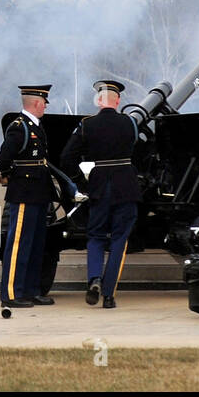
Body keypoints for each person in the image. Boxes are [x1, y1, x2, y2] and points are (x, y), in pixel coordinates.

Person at [58, 79, 140, 309]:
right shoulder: (130, 123)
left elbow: (66, 158)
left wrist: (81, 182)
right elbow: (140, 154)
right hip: (126, 185)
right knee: (118, 240)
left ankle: (94, 278)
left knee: (95, 237)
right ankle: (109, 294)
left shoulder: (87, 125)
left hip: (99, 186)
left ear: (98, 100)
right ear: (118, 101)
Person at [0, 83, 56, 309]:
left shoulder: (36, 126)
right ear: (37, 103)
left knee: (35, 244)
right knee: (18, 244)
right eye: (44, 102)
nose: (46, 106)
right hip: (24, 192)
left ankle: (31, 290)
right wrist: (13, 176)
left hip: (39, 192)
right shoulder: (19, 127)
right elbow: (3, 159)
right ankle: (11, 293)